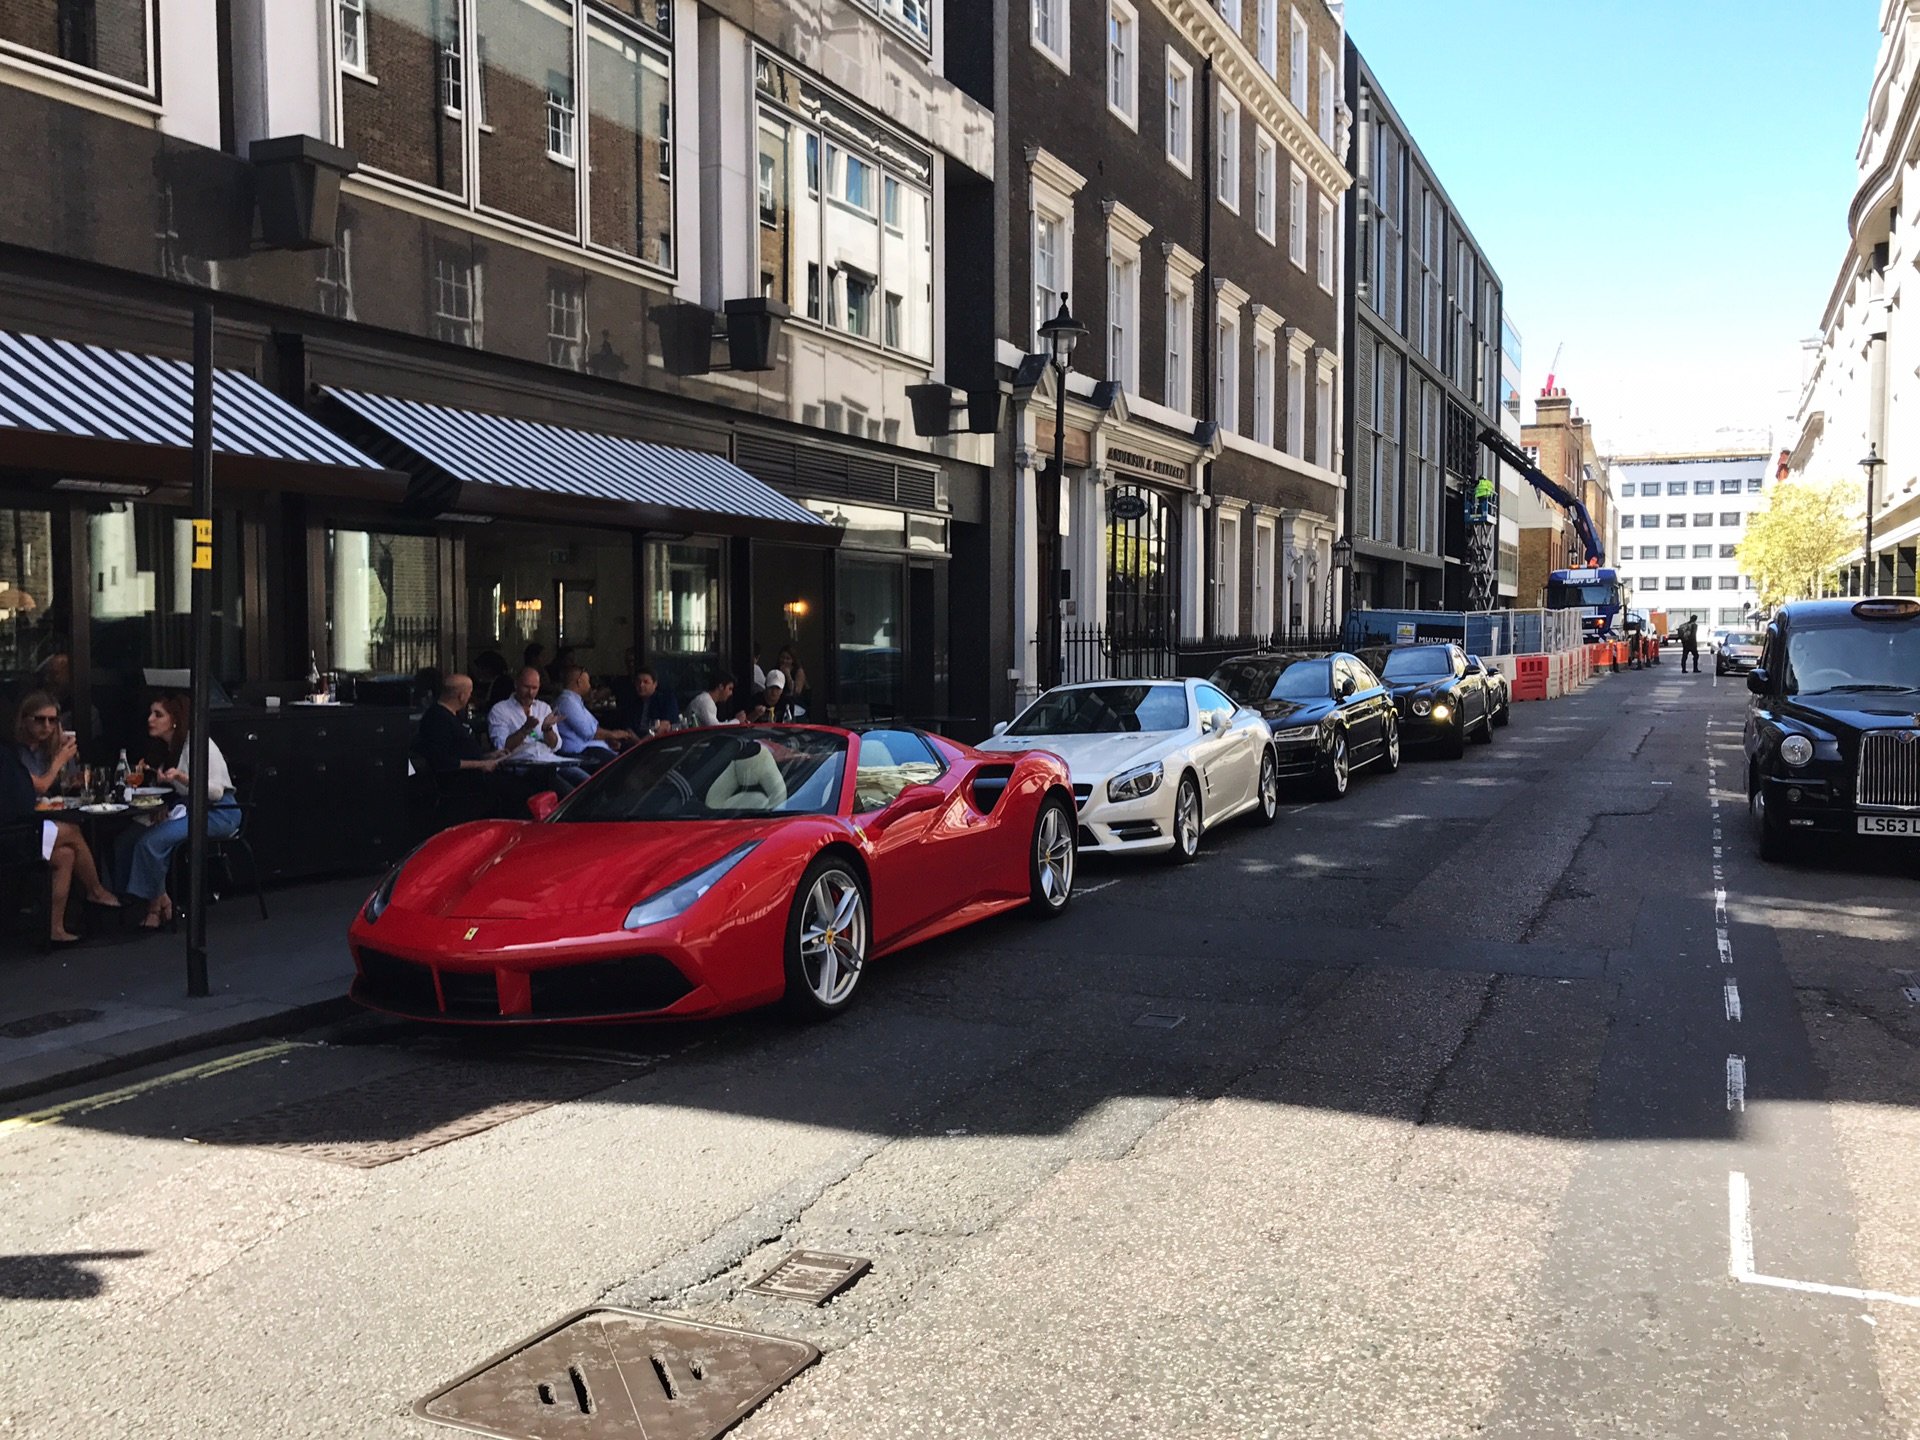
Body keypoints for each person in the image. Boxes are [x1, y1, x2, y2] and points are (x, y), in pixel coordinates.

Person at [120, 693, 241, 930]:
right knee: (127, 840)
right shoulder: (165, 748)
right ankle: (149, 899)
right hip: (187, 808)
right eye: (151, 713)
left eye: (158, 715)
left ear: (174, 720)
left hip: (218, 812)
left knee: (151, 842)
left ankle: (154, 907)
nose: (150, 719)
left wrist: (182, 778)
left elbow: (215, 792)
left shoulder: (199, 745)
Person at [7, 692, 119, 943]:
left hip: (38, 824)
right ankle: (96, 891)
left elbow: (59, 785)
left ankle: (55, 929)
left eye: (52, 720)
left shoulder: (45, 750)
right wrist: (59, 761)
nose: (47, 726)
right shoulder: (13, 754)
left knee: (66, 855)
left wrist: (71, 772)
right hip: (17, 830)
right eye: (40, 720)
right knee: (71, 830)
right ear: (24, 720)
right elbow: (38, 786)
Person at [488, 667, 589, 791]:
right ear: (516, 684)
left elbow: (555, 746)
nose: (530, 692)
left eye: (534, 688)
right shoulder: (500, 710)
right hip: (523, 767)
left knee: (589, 783)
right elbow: (502, 748)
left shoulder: (543, 707)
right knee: (570, 793)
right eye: (526, 687)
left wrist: (547, 729)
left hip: (551, 761)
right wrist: (524, 730)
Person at [553, 665, 636, 765]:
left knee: (631, 754)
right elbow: (588, 732)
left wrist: (608, 738)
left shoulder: (575, 701)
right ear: (579, 682)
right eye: (588, 682)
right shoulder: (567, 702)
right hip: (581, 752)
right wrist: (612, 734)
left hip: (591, 748)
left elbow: (593, 727)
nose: (590, 686)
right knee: (622, 765)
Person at [776, 646, 810, 717]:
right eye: (782, 657)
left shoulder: (799, 671)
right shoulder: (776, 670)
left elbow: (796, 692)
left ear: (793, 660)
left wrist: (788, 676)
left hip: (796, 705)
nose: (784, 661)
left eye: (788, 658)